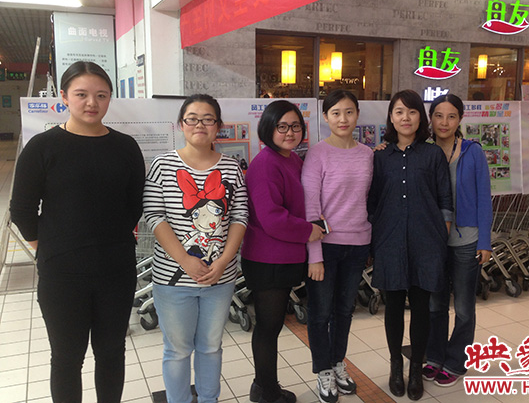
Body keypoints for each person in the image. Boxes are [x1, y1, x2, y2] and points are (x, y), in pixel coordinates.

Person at [10, 61, 145, 402]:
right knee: (67, 358)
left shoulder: (126, 146)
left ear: (110, 98)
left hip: (116, 270)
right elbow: (22, 209)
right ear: (64, 96)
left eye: (101, 95)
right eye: (81, 94)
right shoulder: (42, 147)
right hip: (62, 274)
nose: (91, 103)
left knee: (112, 352)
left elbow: (134, 204)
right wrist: (51, 247)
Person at [143, 94, 248, 403]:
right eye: (192, 118)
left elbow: (240, 216)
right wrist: (185, 261)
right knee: (177, 350)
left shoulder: (231, 168)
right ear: (181, 124)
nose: (199, 125)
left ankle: (208, 399)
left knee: (211, 347)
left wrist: (224, 261)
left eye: (207, 119)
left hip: (220, 278)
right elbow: (154, 215)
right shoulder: (163, 165)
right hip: (172, 279)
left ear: (218, 126)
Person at [367, 90, 452, 401]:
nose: (406, 118)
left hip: (426, 242)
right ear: (391, 117)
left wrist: (439, 237)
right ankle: (395, 365)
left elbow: (445, 200)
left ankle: (416, 367)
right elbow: (372, 202)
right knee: (392, 307)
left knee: (421, 308)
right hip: (389, 241)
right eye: (399, 112)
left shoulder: (433, 155)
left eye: (412, 112)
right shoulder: (379, 157)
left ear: (421, 118)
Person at [241, 100, 326, 403]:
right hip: (267, 259)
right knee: (268, 328)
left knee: (272, 326)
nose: (290, 132)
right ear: (269, 128)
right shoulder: (266, 164)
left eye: (295, 126)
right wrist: (308, 230)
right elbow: (272, 218)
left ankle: (262, 386)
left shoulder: (290, 159)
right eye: (282, 126)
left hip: (282, 257)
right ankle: (267, 392)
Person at [301, 90, 373, 403]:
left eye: (349, 112)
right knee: (320, 312)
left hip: (357, 245)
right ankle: (323, 370)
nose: (343, 119)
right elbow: (310, 207)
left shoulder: (367, 154)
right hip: (326, 247)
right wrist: (314, 256)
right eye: (335, 113)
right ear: (325, 117)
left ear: (357, 114)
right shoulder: (317, 154)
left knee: (344, 310)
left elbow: (369, 199)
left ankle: (337, 361)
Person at [424, 94, 492, 387]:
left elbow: (484, 198)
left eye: (451, 116)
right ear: (430, 119)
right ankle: (434, 356)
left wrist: (485, 241)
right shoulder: (423, 150)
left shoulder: (472, 152)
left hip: (467, 240)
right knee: (435, 305)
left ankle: (455, 361)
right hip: (434, 241)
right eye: (438, 116)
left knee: (464, 308)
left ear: (460, 119)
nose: (444, 122)